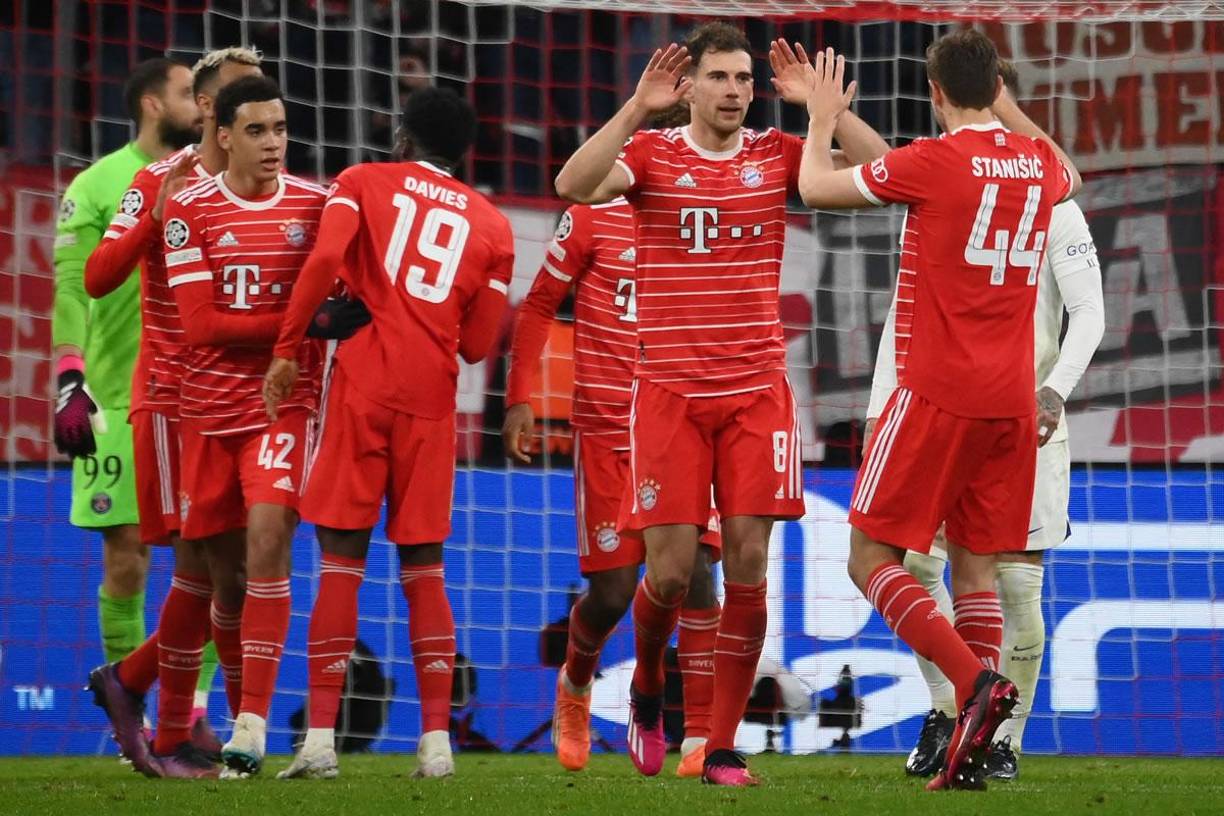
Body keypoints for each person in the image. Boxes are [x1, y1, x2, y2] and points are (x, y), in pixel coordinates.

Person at [553, 24, 887, 786]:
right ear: (691, 87)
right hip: (667, 395)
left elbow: (886, 173)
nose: (735, 89)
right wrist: (637, 108)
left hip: (755, 396)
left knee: (745, 563)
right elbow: (572, 186)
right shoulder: (651, 154)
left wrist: (826, 113)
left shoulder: (776, 155)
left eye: (744, 78)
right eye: (721, 78)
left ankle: (720, 745)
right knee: (668, 577)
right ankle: (646, 686)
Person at [796, 31, 1082, 790]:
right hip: (1011, 406)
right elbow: (1069, 172)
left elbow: (817, 188)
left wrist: (821, 116)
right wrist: (1000, 104)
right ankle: (976, 742)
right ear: (997, 88)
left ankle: (972, 686)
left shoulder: (936, 163)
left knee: (869, 559)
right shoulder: (1037, 164)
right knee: (976, 571)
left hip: (935, 395)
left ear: (931, 91)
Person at [263, 87, 515, 781]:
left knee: (340, 560)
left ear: (402, 136)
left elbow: (320, 263)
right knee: (425, 570)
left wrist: (289, 347)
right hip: (432, 404)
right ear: (463, 151)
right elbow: (476, 347)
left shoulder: (360, 182)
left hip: (362, 390)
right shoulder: (494, 226)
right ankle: (436, 746)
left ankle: (318, 743)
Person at [879, 60, 1105, 782]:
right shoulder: (936, 180)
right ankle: (951, 714)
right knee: (918, 563)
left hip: (1024, 413)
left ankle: (1003, 741)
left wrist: (1055, 391)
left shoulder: (1052, 197)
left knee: (1016, 582)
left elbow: (1090, 313)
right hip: (940, 406)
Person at [162, 75, 362, 778]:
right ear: (223, 136)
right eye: (257, 130)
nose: (274, 142)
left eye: (280, 129)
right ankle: (232, 715)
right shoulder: (188, 211)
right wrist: (299, 325)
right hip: (207, 413)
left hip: (283, 408)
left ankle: (250, 727)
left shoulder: (317, 204)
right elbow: (199, 325)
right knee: (226, 582)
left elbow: (350, 294)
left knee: (271, 536)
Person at [502, 143, 722, 776]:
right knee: (615, 592)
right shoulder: (595, 211)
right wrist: (520, 399)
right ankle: (576, 683)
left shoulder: (699, 217)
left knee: (696, 578)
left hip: (681, 423)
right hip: (607, 430)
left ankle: (699, 737)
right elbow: (541, 303)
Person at [83, 47, 266, 778]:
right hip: (172, 399)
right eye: (228, 101)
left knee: (233, 570)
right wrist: (150, 218)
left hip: (242, 403)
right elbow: (98, 277)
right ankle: (173, 719)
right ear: (212, 115)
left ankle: (151, 702)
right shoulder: (157, 180)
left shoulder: (267, 189)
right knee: (214, 569)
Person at [52, 56, 200, 726]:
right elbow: (72, 287)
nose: (198, 105)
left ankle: (190, 710)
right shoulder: (98, 183)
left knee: (216, 557)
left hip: (199, 394)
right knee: (128, 558)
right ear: (150, 104)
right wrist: (68, 377)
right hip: (115, 398)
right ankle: (131, 718)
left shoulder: (208, 182)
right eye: (185, 94)